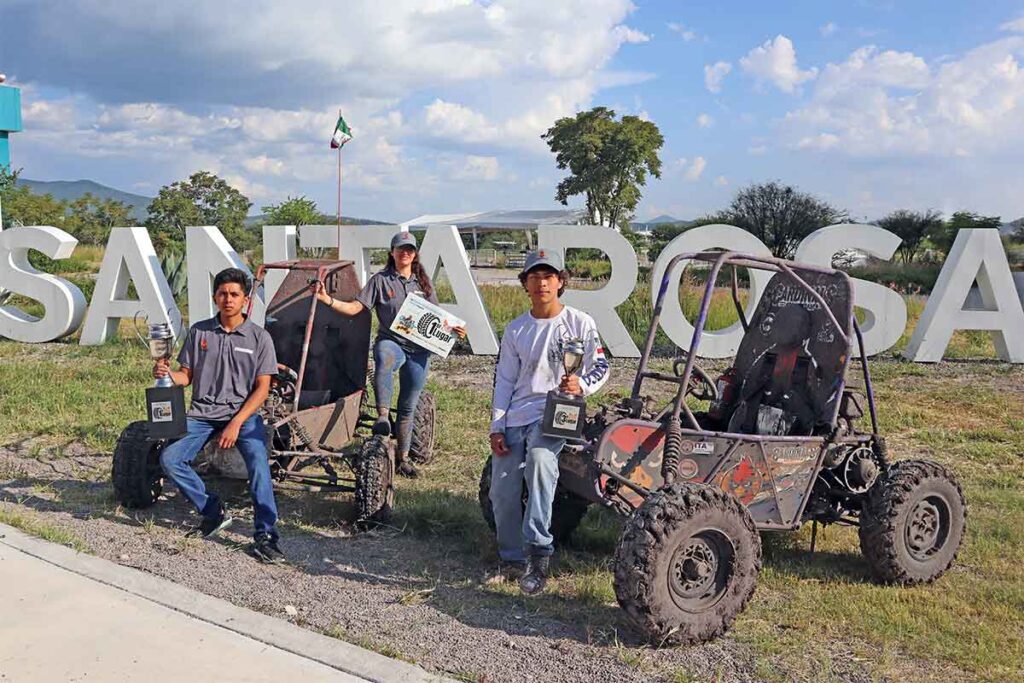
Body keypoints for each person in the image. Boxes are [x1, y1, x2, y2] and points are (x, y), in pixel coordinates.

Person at [489, 250, 609, 595]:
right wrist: (497, 426)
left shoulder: (580, 323)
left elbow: (601, 366)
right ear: (525, 283)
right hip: (517, 416)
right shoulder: (516, 330)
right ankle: (511, 557)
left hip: (558, 413)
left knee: (541, 463)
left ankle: (538, 554)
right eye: (534, 277)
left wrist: (580, 384)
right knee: (502, 489)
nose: (542, 283)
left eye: (549, 276)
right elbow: (505, 382)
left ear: (560, 282)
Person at [154, 267, 284, 564]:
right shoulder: (200, 332)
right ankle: (213, 511)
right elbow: (186, 376)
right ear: (215, 297)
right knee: (171, 459)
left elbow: (263, 388)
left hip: (242, 415)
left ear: (244, 299)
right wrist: (168, 375)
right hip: (202, 413)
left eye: (234, 294)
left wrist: (237, 423)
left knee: (259, 466)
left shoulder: (259, 338)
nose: (228, 299)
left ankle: (266, 534)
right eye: (223, 294)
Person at [312, 231, 464, 477]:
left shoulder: (423, 283)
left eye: (410, 250)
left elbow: (437, 318)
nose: (405, 253)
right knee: (383, 356)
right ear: (392, 252)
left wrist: (454, 330)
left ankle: (402, 458)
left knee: (408, 406)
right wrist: (327, 300)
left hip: (419, 349)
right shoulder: (380, 280)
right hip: (392, 341)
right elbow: (356, 308)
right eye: (401, 248)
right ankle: (382, 417)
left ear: (415, 255)